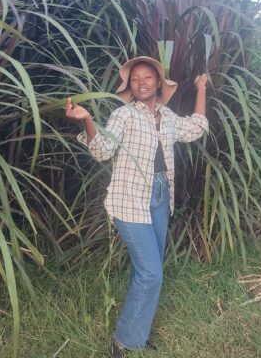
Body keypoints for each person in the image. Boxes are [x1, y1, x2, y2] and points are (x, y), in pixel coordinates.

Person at [65, 56, 208, 357]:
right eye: (135, 79)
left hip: (159, 198)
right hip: (129, 201)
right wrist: (88, 120)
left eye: (147, 78)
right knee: (152, 273)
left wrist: (201, 89)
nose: (140, 83)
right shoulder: (124, 115)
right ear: (129, 86)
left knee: (144, 271)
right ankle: (124, 342)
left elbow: (196, 127)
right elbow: (102, 151)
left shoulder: (167, 117)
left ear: (158, 83)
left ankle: (137, 334)